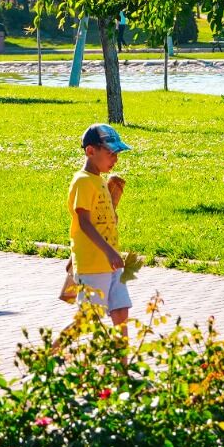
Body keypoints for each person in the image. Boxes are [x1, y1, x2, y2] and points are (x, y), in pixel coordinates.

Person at [67, 122, 134, 326]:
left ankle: (122, 359)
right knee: (88, 319)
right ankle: (48, 356)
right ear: (90, 151)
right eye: (111, 152)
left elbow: (101, 219)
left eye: (117, 153)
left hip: (111, 263)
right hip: (94, 263)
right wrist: (109, 252)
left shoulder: (101, 181)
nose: (115, 158)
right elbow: (84, 223)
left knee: (120, 312)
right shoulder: (83, 181)